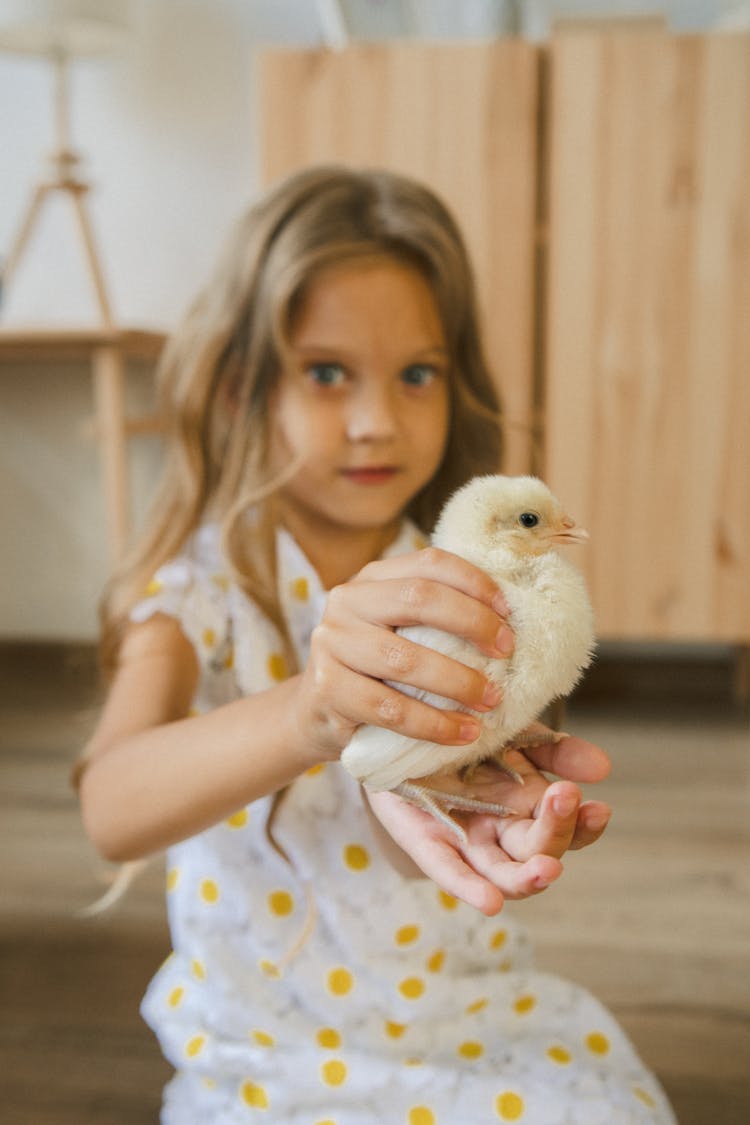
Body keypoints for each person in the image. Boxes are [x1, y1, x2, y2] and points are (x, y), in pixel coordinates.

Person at [77, 166, 676, 1124]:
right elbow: (110, 809)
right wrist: (308, 713)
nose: (376, 420)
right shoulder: (199, 594)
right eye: (326, 372)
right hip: (265, 1042)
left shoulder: (469, 585)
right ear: (240, 388)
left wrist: (478, 809)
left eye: (416, 374)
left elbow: (411, 848)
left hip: (462, 1009)